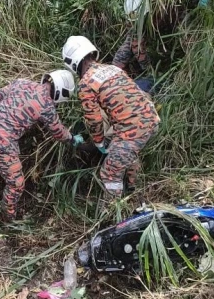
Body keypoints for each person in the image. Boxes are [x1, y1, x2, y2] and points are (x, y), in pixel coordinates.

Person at [63, 35, 160, 198]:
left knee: (108, 173)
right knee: (125, 153)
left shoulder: (86, 84)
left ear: (73, 63)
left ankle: (113, 209)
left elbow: (94, 120)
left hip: (133, 132)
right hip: (151, 120)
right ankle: (133, 192)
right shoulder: (113, 69)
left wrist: (99, 142)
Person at [0, 70, 81, 221]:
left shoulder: (22, 82)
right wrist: (72, 139)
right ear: (61, 92)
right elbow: (58, 132)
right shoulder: (47, 105)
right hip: (1, 142)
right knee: (16, 184)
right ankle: (7, 219)